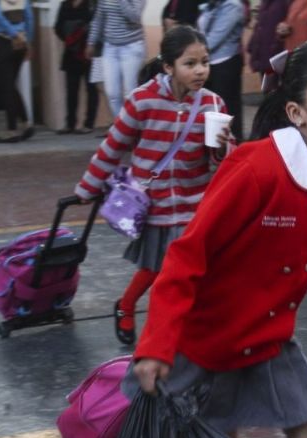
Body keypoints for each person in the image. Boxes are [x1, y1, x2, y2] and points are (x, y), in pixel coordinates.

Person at [128, 38, 307, 438]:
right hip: (206, 342)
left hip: (266, 339)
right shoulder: (256, 168)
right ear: (297, 112)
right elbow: (185, 254)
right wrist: (156, 344)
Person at [73, 26, 232, 345]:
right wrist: (88, 187)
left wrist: (223, 147)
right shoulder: (142, 101)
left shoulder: (213, 104)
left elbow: (221, 162)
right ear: (168, 67)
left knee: (188, 268)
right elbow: (113, 147)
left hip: (194, 201)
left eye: (205, 61)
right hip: (155, 201)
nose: (200, 70)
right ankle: (128, 305)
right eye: (190, 63)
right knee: (156, 267)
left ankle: (182, 323)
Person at [0, 0, 34, 143]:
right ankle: (26, 123)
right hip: (20, 43)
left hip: (2, 41)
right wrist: (27, 40)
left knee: (6, 87)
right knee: (10, 84)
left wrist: (13, 34)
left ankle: (12, 130)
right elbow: (29, 16)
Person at [86, 0, 145, 120]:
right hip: (110, 48)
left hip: (132, 47)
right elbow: (99, 19)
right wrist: (91, 42)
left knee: (130, 92)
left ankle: (133, 127)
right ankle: (121, 126)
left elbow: (135, 17)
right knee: (112, 93)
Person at [198, 0, 245, 138]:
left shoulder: (232, 6)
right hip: (210, 63)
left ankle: (233, 145)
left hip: (225, 63)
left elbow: (214, 39)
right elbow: (199, 31)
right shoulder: (210, 6)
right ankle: (213, 143)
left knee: (227, 108)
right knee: (212, 107)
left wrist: (193, 48)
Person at [55, 0, 98, 134]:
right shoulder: (65, 5)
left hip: (89, 52)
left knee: (91, 88)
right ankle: (70, 123)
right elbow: (57, 27)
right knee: (71, 89)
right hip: (71, 51)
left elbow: (96, 26)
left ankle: (89, 123)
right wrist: (71, 37)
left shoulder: (92, 4)